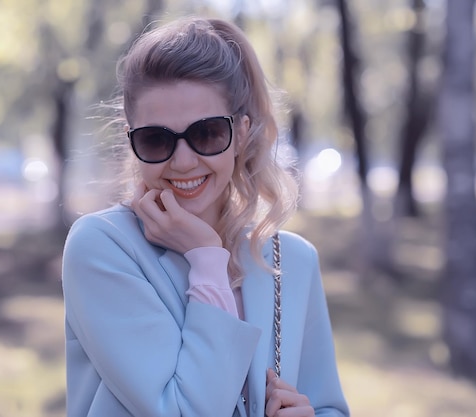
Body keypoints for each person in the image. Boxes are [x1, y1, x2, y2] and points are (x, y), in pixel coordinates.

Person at [62, 16, 350, 417]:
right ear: (131, 140)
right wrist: (206, 257)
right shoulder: (102, 247)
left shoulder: (293, 260)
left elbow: (328, 406)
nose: (183, 161)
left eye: (207, 133)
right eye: (156, 138)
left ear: (241, 133)